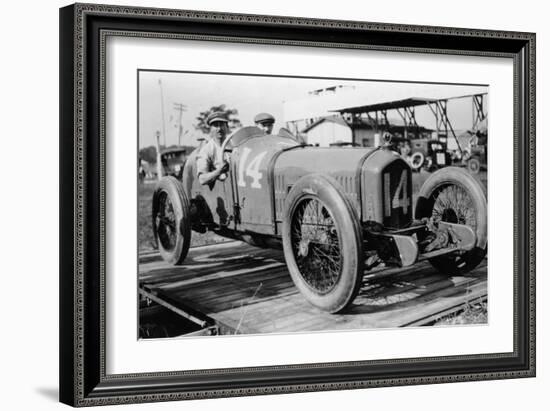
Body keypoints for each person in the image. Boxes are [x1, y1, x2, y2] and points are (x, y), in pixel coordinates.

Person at [196, 111, 230, 186]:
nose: (219, 128)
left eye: (221, 124)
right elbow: (202, 179)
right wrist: (219, 171)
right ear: (210, 129)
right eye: (215, 125)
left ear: (227, 127)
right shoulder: (206, 150)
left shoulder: (234, 145)